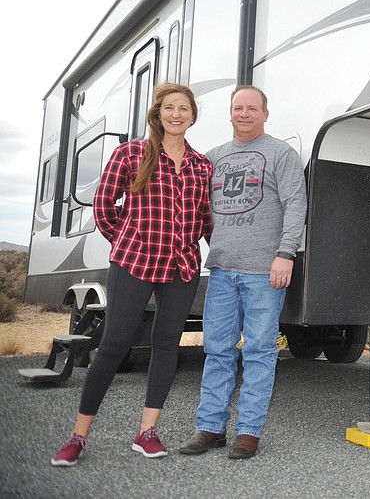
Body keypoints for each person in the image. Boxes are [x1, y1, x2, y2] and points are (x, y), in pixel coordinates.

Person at [51, 83, 212, 467]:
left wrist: (222, 252)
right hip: (134, 264)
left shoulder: (202, 165)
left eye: (184, 109)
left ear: (192, 116)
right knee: (113, 344)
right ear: (157, 114)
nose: (176, 114)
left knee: (166, 344)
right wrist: (128, 240)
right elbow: (104, 206)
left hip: (182, 267)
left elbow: (206, 218)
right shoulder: (129, 154)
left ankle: (147, 432)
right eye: (169, 107)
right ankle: (78, 435)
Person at [179, 84, 307, 460]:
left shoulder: (281, 154)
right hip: (221, 271)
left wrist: (286, 254)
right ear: (230, 113)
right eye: (238, 108)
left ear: (265, 114)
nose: (245, 114)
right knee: (216, 350)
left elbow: (296, 204)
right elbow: (199, 208)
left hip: (264, 273)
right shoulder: (213, 157)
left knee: (259, 352)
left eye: (253, 108)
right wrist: (210, 242)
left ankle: (248, 432)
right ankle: (211, 428)